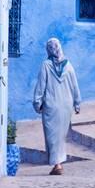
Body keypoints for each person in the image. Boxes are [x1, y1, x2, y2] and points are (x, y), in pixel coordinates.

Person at [33, 38, 81, 175]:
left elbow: (41, 85)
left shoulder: (46, 65)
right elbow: (74, 85)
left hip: (51, 106)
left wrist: (37, 103)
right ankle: (58, 164)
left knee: (52, 137)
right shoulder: (68, 65)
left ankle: (57, 164)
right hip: (66, 106)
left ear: (48, 50)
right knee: (60, 136)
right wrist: (77, 103)